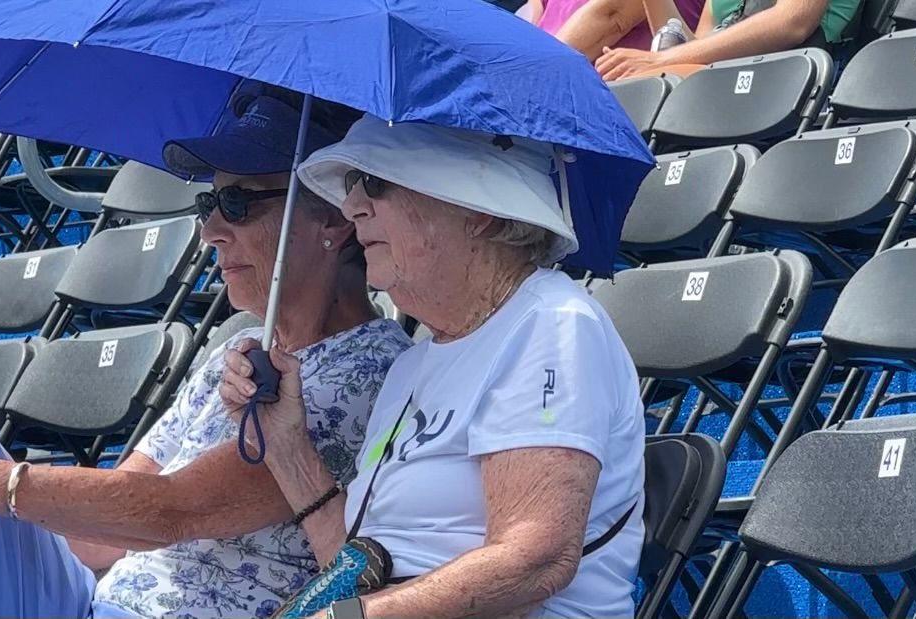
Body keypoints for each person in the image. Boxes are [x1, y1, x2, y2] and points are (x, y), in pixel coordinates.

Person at [0, 86, 413, 619]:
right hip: (96, 602)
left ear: (333, 221)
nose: (211, 231)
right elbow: (106, 537)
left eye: (239, 204)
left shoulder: (366, 369)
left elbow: (171, 513)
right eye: (209, 205)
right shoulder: (239, 353)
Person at [220, 116, 647, 618]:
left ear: (479, 211)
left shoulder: (551, 325)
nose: (352, 206)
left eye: (374, 183)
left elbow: (536, 559)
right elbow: (362, 567)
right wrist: (287, 445)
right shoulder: (415, 362)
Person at [596, 0, 860, 80]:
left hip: (786, 72)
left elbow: (792, 23)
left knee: (634, 83)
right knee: (615, 83)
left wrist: (658, 61)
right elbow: (697, 45)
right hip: (721, 75)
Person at [526, 0, 704, 60]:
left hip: (609, 96)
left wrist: (528, 75)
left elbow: (611, 16)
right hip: (548, 77)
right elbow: (539, 19)